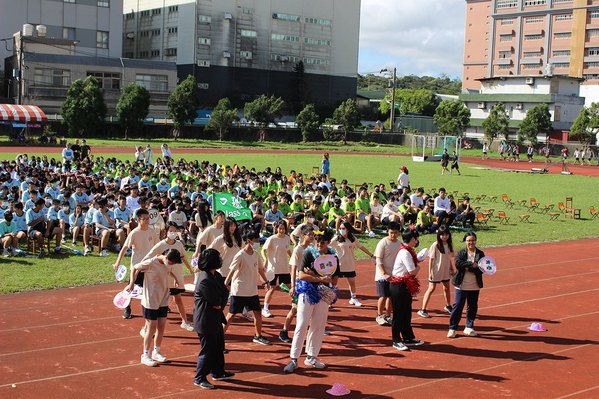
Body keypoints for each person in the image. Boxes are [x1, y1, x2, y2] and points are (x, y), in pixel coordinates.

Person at [283, 228, 340, 373]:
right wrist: (320, 277)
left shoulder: (334, 257)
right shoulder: (308, 253)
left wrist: (314, 274)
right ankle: (294, 359)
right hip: (307, 292)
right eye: (317, 241)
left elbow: (334, 280)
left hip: (323, 294)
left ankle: (311, 357)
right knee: (301, 324)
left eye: (322, 242)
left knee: (318, 325)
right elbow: (302, 275)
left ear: (328, 242)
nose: (319, 244)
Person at [126, 248, 184, 367]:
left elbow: (167, 271)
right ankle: (145, 355)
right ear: (166, 258)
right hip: (151, 299)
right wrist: (132, 282)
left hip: (163, 298)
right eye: (171, 263)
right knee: (151, 327)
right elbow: (134, 267)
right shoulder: (151, 262)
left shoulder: (167, 265)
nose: (171, 265)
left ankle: (156, 352)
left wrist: (176, 278)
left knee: (161, 327)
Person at [193, 249, 234, 389]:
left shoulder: (216, 275)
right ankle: (199, 377)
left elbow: (225, 291)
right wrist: (220, 302)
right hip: (205, 321)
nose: (220, 260)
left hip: (215, 318)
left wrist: (220, 303)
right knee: (208, 350)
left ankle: (218, 372)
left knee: (218, 348)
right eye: (218, 258)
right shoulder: (204, 279)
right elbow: (216, 300)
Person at [143, 222, 195, 332]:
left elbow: (184, 258)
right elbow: (148, 257)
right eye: (171, 230)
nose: (173, 233)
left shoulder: (179, 245)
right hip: (163, 278)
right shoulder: (160, 245)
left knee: (178, 299)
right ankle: (146, 327)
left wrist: (190, 269)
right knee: (157, 302)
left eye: (175, 231)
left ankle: (185, 321)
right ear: (166, 232)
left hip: (176, 276)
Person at [223, 229, 271, 345]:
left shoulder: (256, 255)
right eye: (256, 241)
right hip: (240, 290)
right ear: (249, 241)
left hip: (252, 291)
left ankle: (258, 335)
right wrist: (224, 286)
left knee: (258, 313)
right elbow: (231, 272)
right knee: (231, 315)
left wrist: (266, 281)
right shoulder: (240, 255)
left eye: (259, 240)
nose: (257, 243)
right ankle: (219, 337)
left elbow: (260, 269)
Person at [113, 209, 160, 319]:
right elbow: (124, 248)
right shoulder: (134, 233)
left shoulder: (152, 232)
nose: (147, 221)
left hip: (150, 266)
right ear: (138, 220)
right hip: (136, 266)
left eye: (148, 219)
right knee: (131, 288)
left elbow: (158, 247)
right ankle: (127, 307)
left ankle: (155, 308)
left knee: (152, 288)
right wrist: (117, 262)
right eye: (144, 219)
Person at [389, 228, 425, 351]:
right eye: (416, 239)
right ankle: (396, 340)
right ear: (413, 239)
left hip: (404, 285)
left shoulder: (407, 251)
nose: (417, 241)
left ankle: (408, 337)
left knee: (406, 313)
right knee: (398, 314)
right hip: (399, 285)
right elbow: (411, 272)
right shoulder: (405, 252)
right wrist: (418, 266)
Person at [280, 224, 314, 343]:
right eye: (309, 234)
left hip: (309, 282)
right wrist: (293, 286)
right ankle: (284, 331)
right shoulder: (298, 249)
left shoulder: (312, 248)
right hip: (299, 284)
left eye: (313, 234)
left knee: (310, 308)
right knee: (295, 308)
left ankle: (312, 329)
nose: (312, 236)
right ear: (302, 235)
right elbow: (293, 268)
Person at [448, 232, 485, 338]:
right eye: (469, 240)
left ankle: (469, 326)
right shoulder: (461, 252)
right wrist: (471, 264)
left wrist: (469, 268)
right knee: (458, 306)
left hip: (474, 285)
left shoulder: (480, 254)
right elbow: (458, 264)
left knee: (472, 306)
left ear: (476, 241)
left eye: (473, 240)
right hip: (461, 284)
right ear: (465, 241)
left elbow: (482, 269)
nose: (471, 242)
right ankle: (452, 328)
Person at [331, 221, 374, 307]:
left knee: (352, 282)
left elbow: (361, 247)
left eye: (343, 228)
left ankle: (353, 298)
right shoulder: (336, 239)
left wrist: (371, 255)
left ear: (347, 230)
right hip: (338, 265)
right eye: (340, 228)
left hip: (349, 264)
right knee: (333, 283)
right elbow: (327, 245)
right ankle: (329, 300)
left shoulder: (353, 239)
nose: (341, 230)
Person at [417, 226, 455, 318]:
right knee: (431, 289)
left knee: (447, 288)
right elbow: (431, 259)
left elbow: (448, 258)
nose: (444, 236)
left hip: (445, 270)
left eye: (446, 234)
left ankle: (448, 305)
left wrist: (451, 268)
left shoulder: (450, 245)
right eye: (442, 235)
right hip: (436, 270)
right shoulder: (435, 245)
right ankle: (423, 309)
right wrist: (430, 272)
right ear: (439, 235)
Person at [261, 220, 292, 317]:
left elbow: (288, 251)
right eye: (280, 228)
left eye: (283, 228)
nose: (282, 230)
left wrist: (294, 260)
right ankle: (265, 309)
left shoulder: (287, 238)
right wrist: (265, 259)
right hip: (273, 268)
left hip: (284, 268)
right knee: (272, 288)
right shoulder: (271, 239)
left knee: (290, 287)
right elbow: (263, 250)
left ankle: (297, 305)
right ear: (276, 228)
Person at [373, 222, 402, 326]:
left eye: (395, 233)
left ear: (399, 233)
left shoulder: (400, 244)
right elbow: (379, 260)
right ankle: (379, 315)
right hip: (382, 275)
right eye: (391, 233)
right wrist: (384, 273)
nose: (393, 235)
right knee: (383, 295)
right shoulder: (382, 243)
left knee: (391, 296)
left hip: (394, 275)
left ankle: (389, 316)